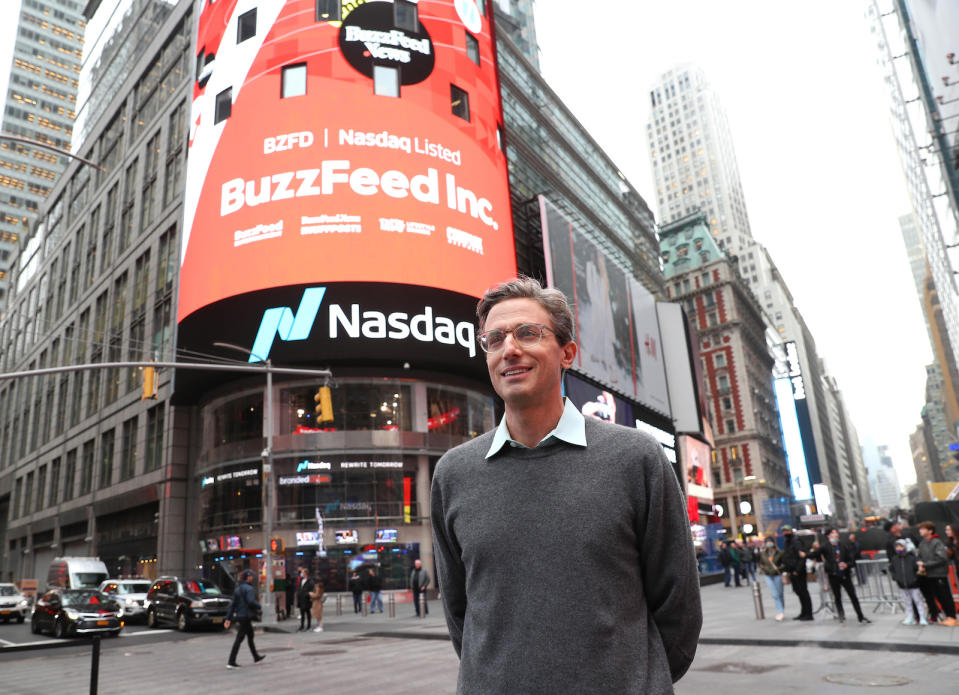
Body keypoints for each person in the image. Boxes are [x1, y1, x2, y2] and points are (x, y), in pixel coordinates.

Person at [431, 277, 702, 693]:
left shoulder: (636, 457)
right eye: (495, 339)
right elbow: (459, 613)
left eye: (528, 333)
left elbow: (679, 605)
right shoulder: (453, 473)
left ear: (567, 353)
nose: (510, 349)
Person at [810, 528, 870, 624]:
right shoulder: (825, 547)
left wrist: (846, 564)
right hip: (833, 575)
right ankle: (841, 615)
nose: (836, 534)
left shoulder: (843, 546)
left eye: (836, 532)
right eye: (833, 533)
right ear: (829, 536)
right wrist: (804, 554)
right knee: (837, 596)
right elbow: (814, 554)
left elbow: (852, 560)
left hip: (845, 575)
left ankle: (860, 616)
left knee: (853, 596)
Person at [916, 521, 959, 626]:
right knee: (938, 597)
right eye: (920, 529)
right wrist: (920, 563)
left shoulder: (936, 542)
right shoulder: (922, 543)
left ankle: (952, 616)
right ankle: (945, 616)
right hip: (928, 574)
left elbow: (942, 558)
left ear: (930, 531)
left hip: (939, 573)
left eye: (923, 529)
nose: (920, 531)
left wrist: (925, 564)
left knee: (945, 596)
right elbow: (920, 556)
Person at [224, 569, 266, 669]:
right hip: (246, 616)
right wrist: (258, 605)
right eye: (251, 576)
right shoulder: (249, 589)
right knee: (240, 638)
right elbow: (251, 601)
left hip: (240, 616)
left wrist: (228, 618)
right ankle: (231, 661)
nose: (252, 577)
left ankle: (256, 657)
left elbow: (232, 605)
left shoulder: (238, 589)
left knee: (250, 635)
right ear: (248, 577)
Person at [890, 538, 927, 625]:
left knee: (918, 601)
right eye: (897, 547)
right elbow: (892, 570)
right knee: (907, 602)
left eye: (901, 546)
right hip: (902, 584)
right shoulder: (895, 559)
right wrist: (896, 578)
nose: (899, 548)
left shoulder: (912, 558)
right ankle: (910, 617)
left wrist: (915, 578)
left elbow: (918, 570)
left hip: (913, 584)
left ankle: (922, 617)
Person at [781, 526, 813, 620]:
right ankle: (804, 612)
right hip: (792, 570)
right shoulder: (787, 542)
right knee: (798, 592)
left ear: (791, 531)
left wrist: (797, 570)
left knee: (803, 592)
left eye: (787, 531)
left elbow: (802, 556)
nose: (785, 533)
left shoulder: (796, 541)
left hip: (798, 571)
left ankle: (808, 613)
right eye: (784, 531)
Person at [758, 536, 786, 621]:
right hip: (768, 575)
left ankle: (782, 609)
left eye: (770, 542)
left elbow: (784, 563)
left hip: (777, 574)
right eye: (767, 542)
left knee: (780, 593)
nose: (768, 544)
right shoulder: (763, 554)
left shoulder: (780, 553)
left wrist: (779, 569)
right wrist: (764, 569)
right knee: (774, 594)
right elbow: (761, 563)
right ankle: (780, 611)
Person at [294, 566, 314, 631]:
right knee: (302, 613)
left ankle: (308, 625)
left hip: (306, 599)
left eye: (302, 572)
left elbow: (311, 589)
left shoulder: (310, 581)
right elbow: (299, 587)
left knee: (308, 612)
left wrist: (307, 595)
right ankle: (302, 626)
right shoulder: (301, 580)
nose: (301, 573)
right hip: (301, 599)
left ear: (305, 573)